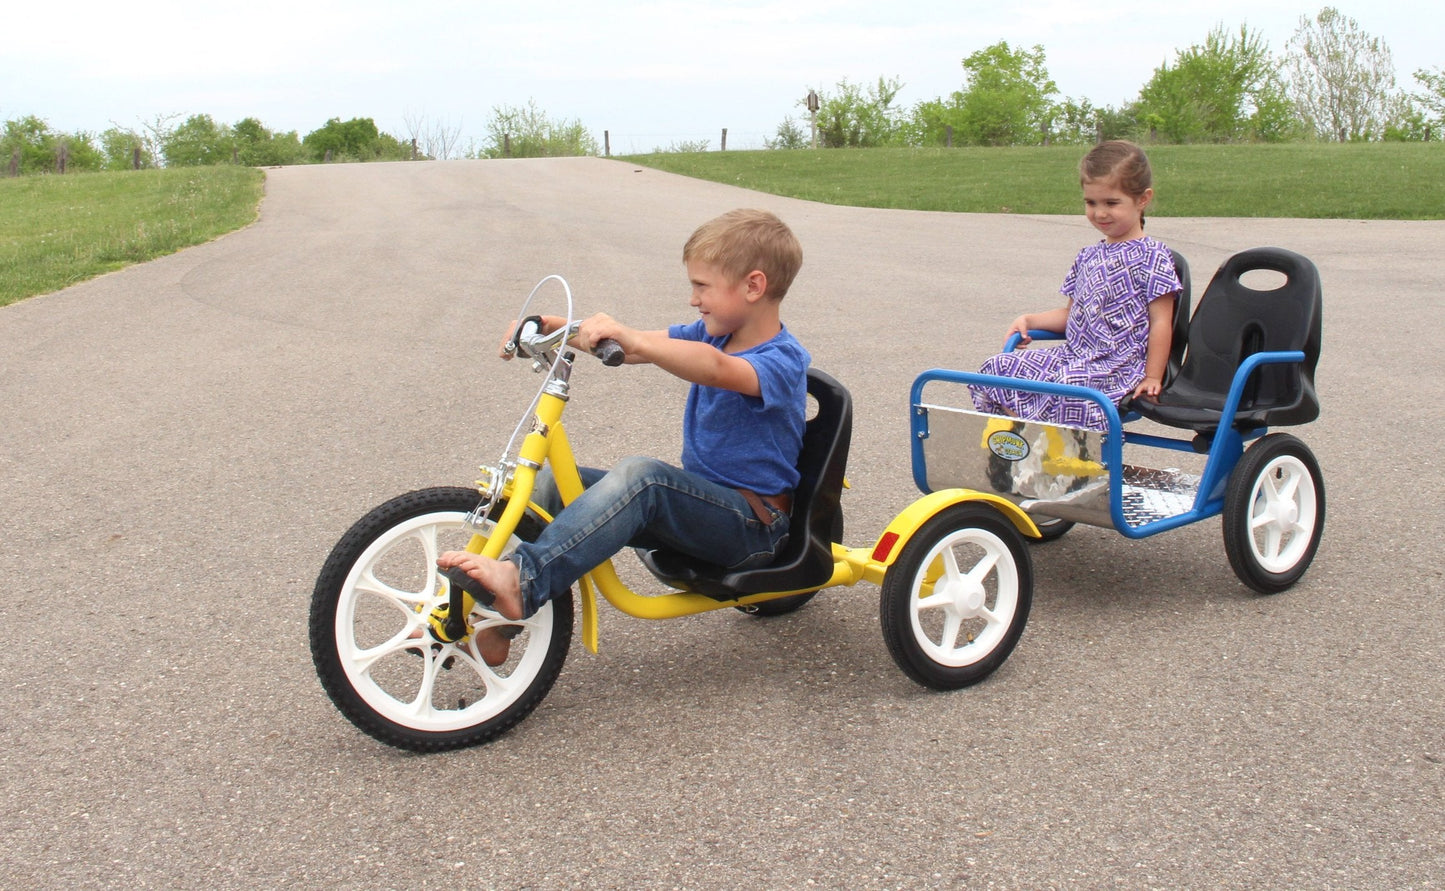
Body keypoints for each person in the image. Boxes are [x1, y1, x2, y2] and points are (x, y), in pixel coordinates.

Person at [438, 208, 810, 666]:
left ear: (753, 286)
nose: (693, 300)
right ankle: (498, 620)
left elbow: (715, 369)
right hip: (706, 508)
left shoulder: (783, 359)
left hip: (753, 526)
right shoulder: (712, 333)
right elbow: (638, 348)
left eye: (702, 286)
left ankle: (524, 581)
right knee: (553, 487)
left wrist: (632, 336)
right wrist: (559, 328)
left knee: (643, 478)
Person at [970, 140, 1181, 431]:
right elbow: (1072, 315)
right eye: (1091, 203)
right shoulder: (1088, 255)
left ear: (1142, 200)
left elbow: (1161, 323)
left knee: (1068, 386)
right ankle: (1020, 443)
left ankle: (1076, 458)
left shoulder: (1153, 256)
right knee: (997, 369)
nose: (1099, 213)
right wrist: (1029, 320)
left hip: (1117, 366)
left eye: (1111, 203)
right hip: (1075, 356)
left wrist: (1153, 376)